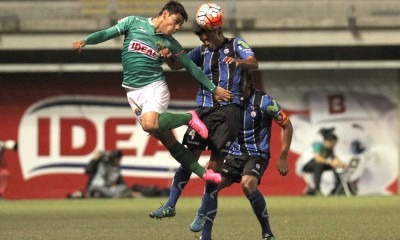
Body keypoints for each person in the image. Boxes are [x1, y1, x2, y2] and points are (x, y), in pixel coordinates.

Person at [72, 1, 232, 183]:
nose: (177, 27)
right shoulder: (133, 23)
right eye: (176, 21)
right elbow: (106, 34)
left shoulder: (169, 43)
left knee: (149, 124)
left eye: (180, 25)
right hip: (133, 93)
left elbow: (191, 67)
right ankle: (203, 174)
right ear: (165, 14)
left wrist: (214, 89)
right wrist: (86, 41)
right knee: (168, 141)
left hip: (154, 87)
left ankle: (189, 118)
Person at [149, 19, 258, 219]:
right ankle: (170, 205)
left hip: (229, 112)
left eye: (207, 39)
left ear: (217, 30)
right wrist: (167, 56)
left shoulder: (236, 44)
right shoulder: (202, 51)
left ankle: (202, 212)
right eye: (203, 40)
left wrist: (239, 62)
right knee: (189, 158)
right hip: (204, 112)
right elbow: (176, 65)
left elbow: (254, 62)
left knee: (215, 165)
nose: (206, 43)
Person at [190, 70, 293, 240]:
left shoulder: (265, 101)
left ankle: (267, 232)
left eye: (239, 84)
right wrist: (214, 159)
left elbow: (287, 125)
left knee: (248, 183)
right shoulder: (227, 101)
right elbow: (219, 130)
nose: (235, 88)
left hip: (256, 155)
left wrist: (283, 156)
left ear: (249, 83)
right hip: (232, 155)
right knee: (211, 184)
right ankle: (206, 236)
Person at [302, 128, 345, 196]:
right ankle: (317, 190)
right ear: (328, 141)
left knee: (335, 166)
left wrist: (341, 164)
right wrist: (331, 162)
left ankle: (337, 188)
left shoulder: (329, 149)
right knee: (319, 164)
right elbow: (317, 158)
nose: (333, 145)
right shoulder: (318, 144)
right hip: (308, 164)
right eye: (332, 143)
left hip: (320, 164)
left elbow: (334, 157)